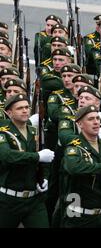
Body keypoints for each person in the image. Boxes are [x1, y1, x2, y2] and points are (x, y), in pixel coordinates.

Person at [61, 106, 101, 228]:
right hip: (79, 214)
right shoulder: (74, 147)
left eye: (97, 118)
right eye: (90, 119)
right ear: (80, 124)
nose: (96, 122)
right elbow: (74, 168)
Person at [0, 94, 55, 227]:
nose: (25, 110)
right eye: (19, 108)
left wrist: (45, 177)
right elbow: (7, 155)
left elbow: (45, 159)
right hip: (8, 200)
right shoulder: (3, 132)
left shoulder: (34, 132)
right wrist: (37, 157)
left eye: (26, 107)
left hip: (34, 200)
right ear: (9, 112)